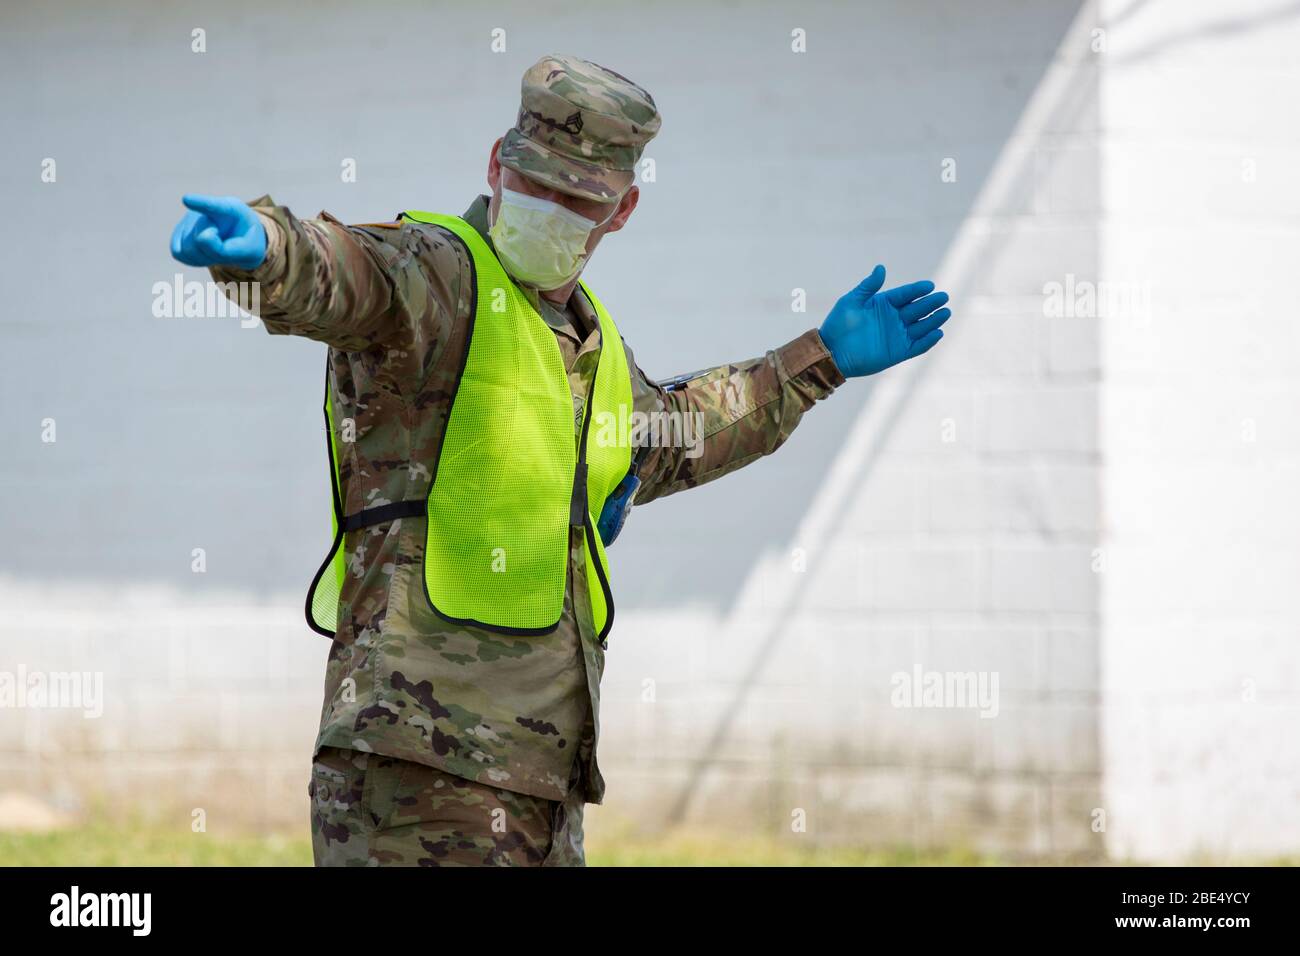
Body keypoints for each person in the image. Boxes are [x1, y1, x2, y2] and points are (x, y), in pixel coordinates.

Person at [169, 54, 952, 866]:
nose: (550, 208)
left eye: (580, 198)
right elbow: (350, 274)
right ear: (495, 165)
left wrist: (818, 357)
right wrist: (265, 250)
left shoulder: (595, 349)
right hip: (415, 771)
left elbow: (678, 433)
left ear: (622, 210)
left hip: (543, 782)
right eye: (534, 182)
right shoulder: (439, 275)